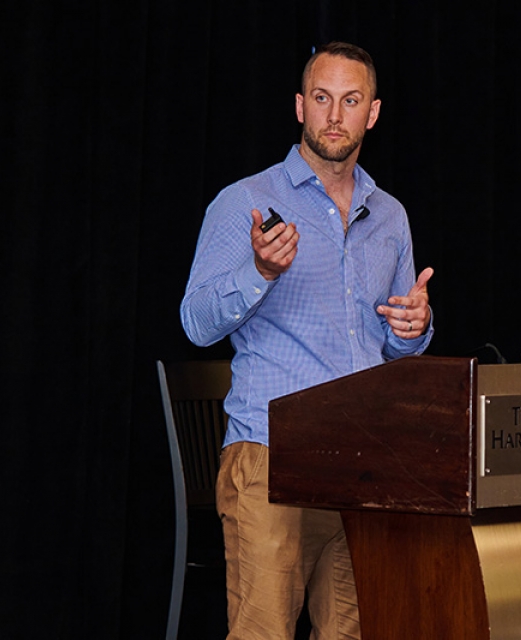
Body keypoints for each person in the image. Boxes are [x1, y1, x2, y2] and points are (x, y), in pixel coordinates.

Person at [180, 41, 433, 639]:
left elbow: (397, 349)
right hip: (271, 456)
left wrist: (414, 329)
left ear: (372, 113)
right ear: (300, 106)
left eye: (351, 101)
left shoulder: (390, 215)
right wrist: (259, 272)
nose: (335, 115)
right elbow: (195, 322)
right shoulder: (245, 202)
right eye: (322, 99)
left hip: (363, 467)